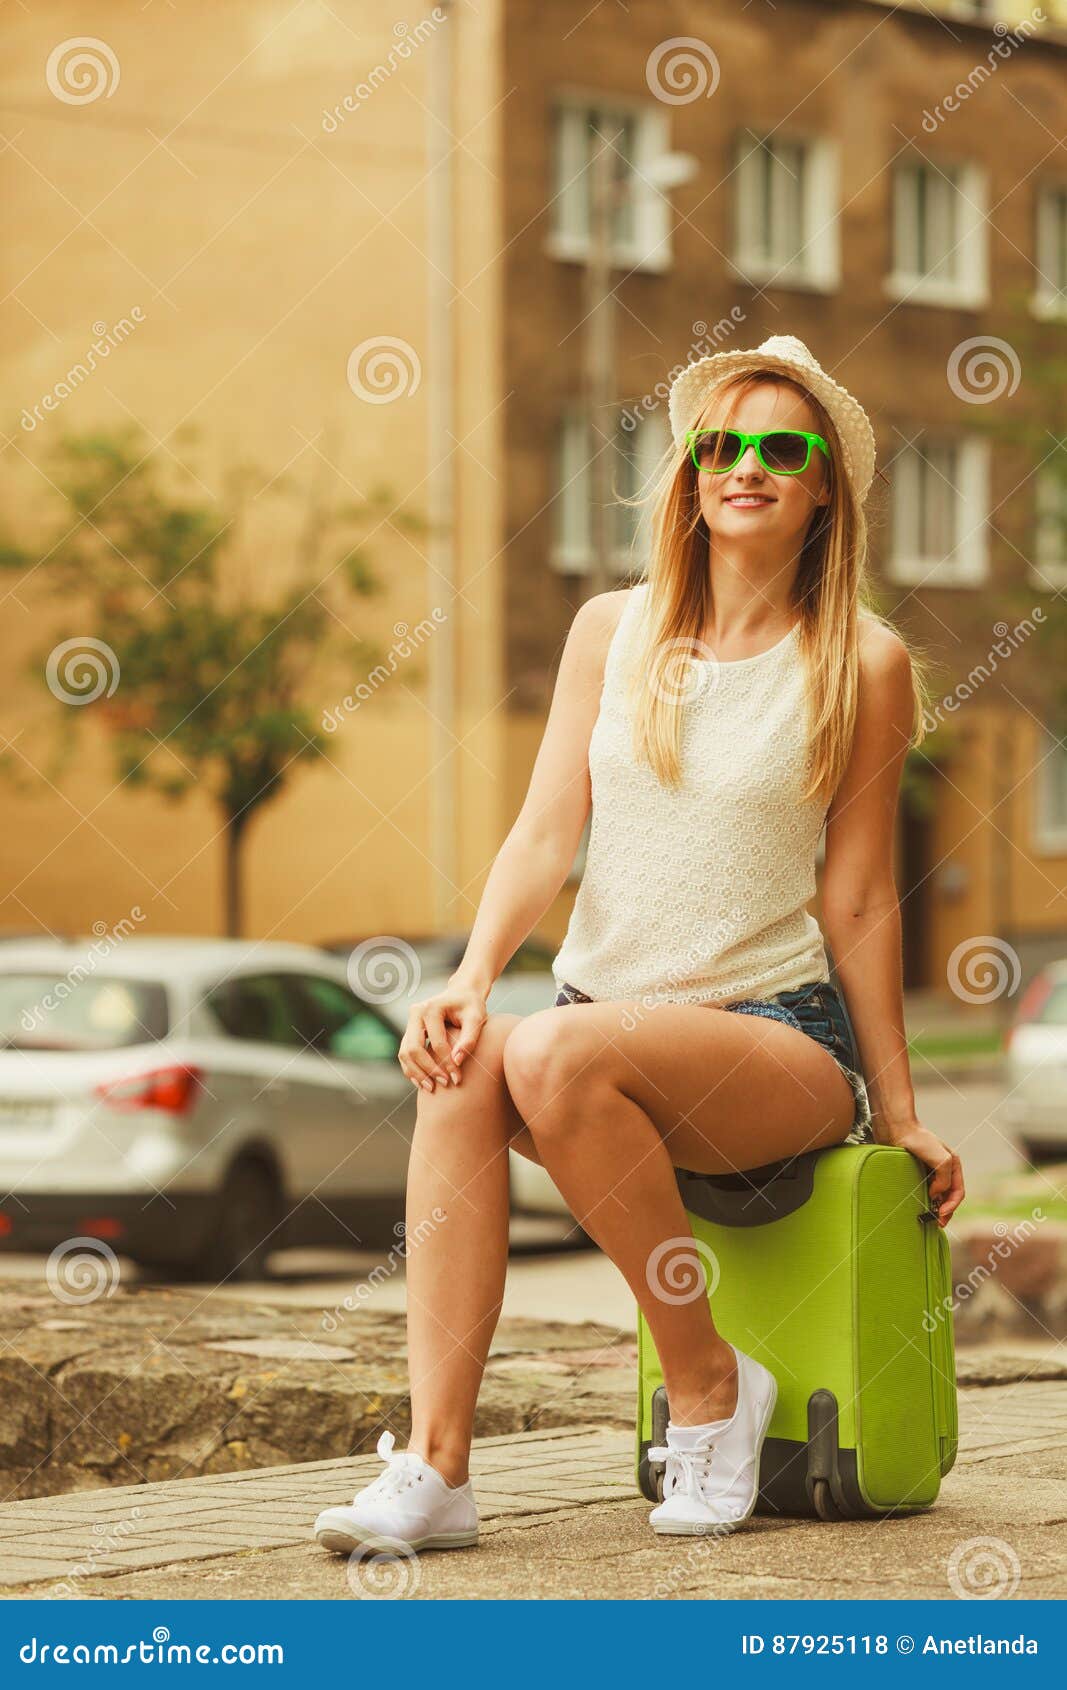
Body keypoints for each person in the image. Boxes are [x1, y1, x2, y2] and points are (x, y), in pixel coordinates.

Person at [313, 332, 966, 1557]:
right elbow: (544, 827)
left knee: (552, 1054)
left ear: (824, 485)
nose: (745, 464)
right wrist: (463, 980)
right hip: (594, 1022)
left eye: (782, 447)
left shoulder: (861, 662)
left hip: (773, 1042)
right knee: (466, 1072)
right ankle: (438, 1467)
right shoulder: (610, 630)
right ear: (688, 474)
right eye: (719, 445)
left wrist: (903, 1107)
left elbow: (864, 897)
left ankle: (711, 1389)